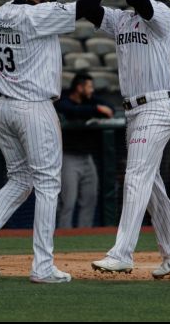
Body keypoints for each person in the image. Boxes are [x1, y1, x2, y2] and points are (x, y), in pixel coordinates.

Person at [0, 0, 115, 285]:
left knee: (20, 180)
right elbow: (89, 7)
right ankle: (42, 265)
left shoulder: (5, 10)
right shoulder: (38, 15)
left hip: (5, 108)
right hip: (33, 108)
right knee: (47, 183)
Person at [87, 0, 170, 280]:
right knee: (149, 183)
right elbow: (89, 7)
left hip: (157, 106)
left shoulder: (161, 14)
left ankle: (121, 253)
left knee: (135, 177)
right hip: (134, 110)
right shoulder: (123, 19)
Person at [54, 72, 113, 229]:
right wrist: (95, 109)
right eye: (89, 86)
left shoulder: (90, 100)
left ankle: (84, 237)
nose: (91, 90)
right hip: (68, 158)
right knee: (68, 202)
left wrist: (95, 107)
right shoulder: (64, 99)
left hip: (87, 158)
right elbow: (71, 110)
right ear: (79, 87)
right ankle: (64, 237)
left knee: (90, 199)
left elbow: (110, 108)